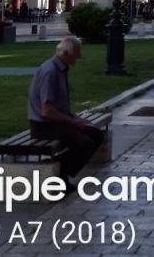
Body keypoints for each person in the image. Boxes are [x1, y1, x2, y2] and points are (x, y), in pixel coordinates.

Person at [28, 37, 106, 186]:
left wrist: (76, 119)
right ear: (65, 53)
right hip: (43, 126)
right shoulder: (50, 72)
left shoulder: (59, 69)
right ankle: (59, 172)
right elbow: (47, 111)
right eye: (76, 53)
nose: (79, 57)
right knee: (85, 143)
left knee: (96, 134)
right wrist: (74, 123)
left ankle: (62, 170)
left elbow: (59, 106)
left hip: (55, 122)